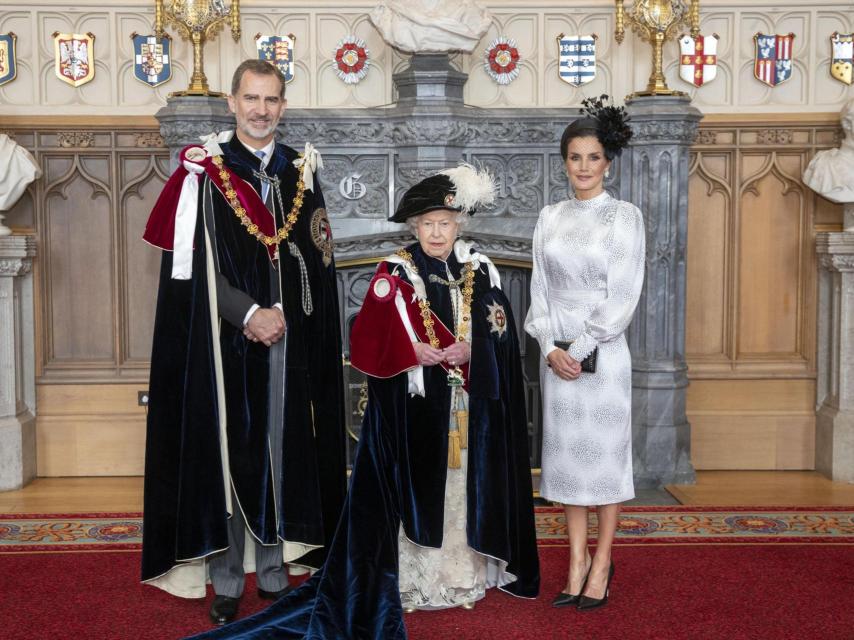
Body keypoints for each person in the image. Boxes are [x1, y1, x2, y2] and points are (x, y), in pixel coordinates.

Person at [188, 164, 540, 639]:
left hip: (464, 408)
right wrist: (410, 351)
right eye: (428, 224)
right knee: (418, 493)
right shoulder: (393, 272)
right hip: (412, 411)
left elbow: (501, 330)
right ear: (415, 227)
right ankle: (417, 582)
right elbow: (367, 341)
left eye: (446, 223)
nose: (437, 233)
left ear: (460, 224)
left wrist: (475, 348)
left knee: (461, 491)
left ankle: (462, 575)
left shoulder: (481, 268)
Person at [140, 59, 347, 626]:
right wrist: (251, 313)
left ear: (283, 105)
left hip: (290, 340)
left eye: (272, 100)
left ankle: (277, 572)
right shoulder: (205, 173)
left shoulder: (298, 172)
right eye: (251, 99)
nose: (262, 110)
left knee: (284, 450)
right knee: (234, 452)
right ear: (231, 102)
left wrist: (287, 317)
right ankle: (228, 578)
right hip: (224, 342)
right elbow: (193, 270)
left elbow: (316, 262)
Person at [524, 95, 643, 611]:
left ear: (608, 163)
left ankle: (602, 562)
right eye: (575, 157)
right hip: (559, 359)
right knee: (568, 466)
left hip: (604, 355)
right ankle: (574, 562)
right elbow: (538, 290)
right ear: (565, 161)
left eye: (593, 157)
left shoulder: (625, 217)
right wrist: (550, 347)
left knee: (605, 464)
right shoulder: (549, 216)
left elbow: (624, 293)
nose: (584, 167)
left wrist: (582, 346)